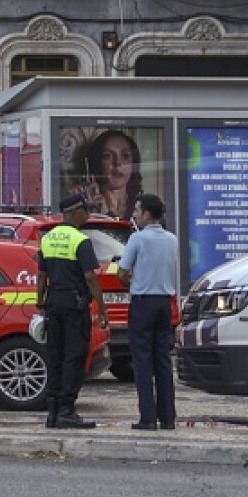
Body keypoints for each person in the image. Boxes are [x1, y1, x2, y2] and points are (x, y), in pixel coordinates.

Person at [35, 194, 101, 429]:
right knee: (74, 356)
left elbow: (42, 276)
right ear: (74, 212)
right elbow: (91, 277)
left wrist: (39, 302)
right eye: (85, 210)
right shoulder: (80, 240)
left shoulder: (48, 238)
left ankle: (52, 412)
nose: (88, 214)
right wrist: (101, 309)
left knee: (56, 355)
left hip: (53, 304)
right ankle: (67, 410)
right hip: (74, 305)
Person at [117, 193, 179, 431]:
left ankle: (148, 418)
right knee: (162, 360)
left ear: (147, 214)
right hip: (164, 303)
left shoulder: (137, 239)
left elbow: (122, 272)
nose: (134, 214)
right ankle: (168, 417)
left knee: (142, 362)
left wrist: (131, 281)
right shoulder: (171, 239)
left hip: (143, 303)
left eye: (137, 210)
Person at [71, 130, 142, 218]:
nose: (117, 163)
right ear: (97, 163)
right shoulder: (85, 204)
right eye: (107, 156)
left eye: (125, 156)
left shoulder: (143, 206)